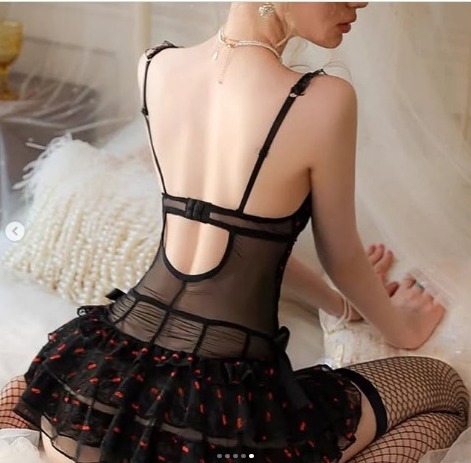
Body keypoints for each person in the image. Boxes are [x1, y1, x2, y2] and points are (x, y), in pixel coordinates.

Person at [0, 2, 468, 462]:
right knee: (444, 390)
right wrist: (403, 327)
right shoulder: (323, 98)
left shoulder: (155, 66)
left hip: (104, 371)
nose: (359, 1)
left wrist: (344, 307)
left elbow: (242, 242)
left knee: (26, 388)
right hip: (220, 407)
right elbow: (341, 257)